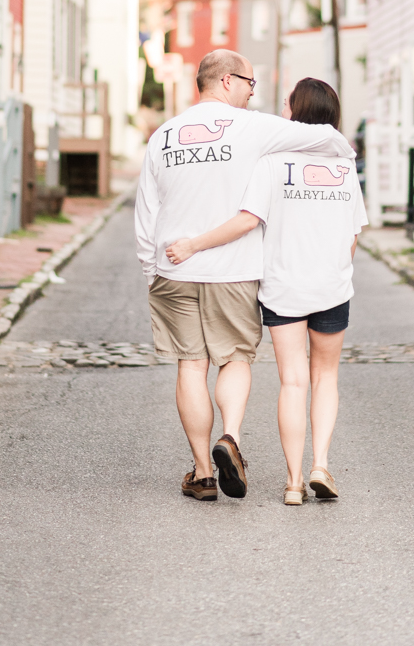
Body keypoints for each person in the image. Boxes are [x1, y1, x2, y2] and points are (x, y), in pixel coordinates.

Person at [135, 51, 355, 503]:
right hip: (232, 269)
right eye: (252, 84)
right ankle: (230, 436)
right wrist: (343, 158)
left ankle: (201, 472)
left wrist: (150, 265)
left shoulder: (163, 135)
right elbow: (327, 139)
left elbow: (147, 209)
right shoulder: (252, 127)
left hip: (173, 268)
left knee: (190, 365)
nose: (254, 94)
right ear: (230, 81)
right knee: (234, 359)